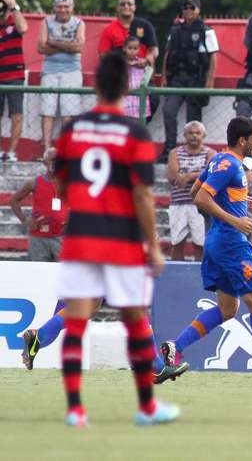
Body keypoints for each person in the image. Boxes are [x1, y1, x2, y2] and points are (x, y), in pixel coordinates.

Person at [51, 51, 179, 427]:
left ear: (94, 84)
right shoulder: (133, 133)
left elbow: (61, 183)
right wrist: (152, 244)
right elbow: (141, 195)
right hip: (121, 242)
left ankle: (75, 409)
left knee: (75, 322)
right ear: (127, 86)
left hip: (79, 240)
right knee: (135, 321)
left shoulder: (72, 129)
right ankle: (147, 408)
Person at [159, 117, 252, 387]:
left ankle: (175, 347)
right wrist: (235, 219)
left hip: (217, 241)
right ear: (243, 141)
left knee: (227, 309)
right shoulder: (230, 164)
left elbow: (195, 189)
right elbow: (201, 198)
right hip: (232, 243)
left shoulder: (219, 160)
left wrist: (235, 200)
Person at [160, 0, 219, 162]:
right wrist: (164, 77)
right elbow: (167, 53)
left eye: (192, 7)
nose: (188, 10)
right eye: (185, 7)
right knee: (168, 110)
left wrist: (209, 81)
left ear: (198, 10)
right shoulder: (175, 30)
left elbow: (213, 56)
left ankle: (193, 151)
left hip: (197, 79)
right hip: (177, 78)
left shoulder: (206, 30)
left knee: (193, 118)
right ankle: (169, 148)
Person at [38, 0, 85, 151]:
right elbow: (40, 48)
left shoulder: (79, 23)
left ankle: (66, 149)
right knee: (47, 111)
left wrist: (53, 43)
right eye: (60, 6)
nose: (63, 10)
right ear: (54, 8)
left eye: (66, 6)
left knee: (68, 111)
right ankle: (46, 149)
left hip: (72, 71)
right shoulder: (46, 22)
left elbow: (79, 47)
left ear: (72, 8)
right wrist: (67, 47)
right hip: (50, 70)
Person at [167, 120, 215, 261]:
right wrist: (199, 174)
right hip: (178, 203)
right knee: (177, 242)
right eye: (191, 133)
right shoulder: (175, 153)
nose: (194, 136)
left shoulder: (211, 153)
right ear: (184, 135)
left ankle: (200, 275)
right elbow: (173, 177)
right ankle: (176, 275)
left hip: (201, 204)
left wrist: (188, 176)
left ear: (204, 135)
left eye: (198, 133)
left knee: (201, 243)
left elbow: (210, 175)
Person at [10, 148, 68, 261]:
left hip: (61, 237)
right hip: (38, 238)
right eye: (52, 160)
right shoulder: (34, 183)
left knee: (62, 274)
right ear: (45, 162)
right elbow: (14, 200)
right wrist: (25, 220)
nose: (55, 164)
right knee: (39, 273)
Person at [0, 0, 28, 162]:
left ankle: (11, 152)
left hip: (15, 75)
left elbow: (24, 28)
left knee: (17, 114)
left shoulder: (14, 22)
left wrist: (14, 6)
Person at [98, 0, 158, 66]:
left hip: (142, 73)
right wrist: (121, 63)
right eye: (122, 4)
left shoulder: (145, 25)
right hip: (119, 74)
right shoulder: (109, 29)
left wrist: (148, 59)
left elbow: (154, 50)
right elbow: (103, 55)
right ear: (117, 8)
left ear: (135, 7)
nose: (126, 6)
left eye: (129, 4)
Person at [122, 36, 151, 120]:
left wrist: (147, 62)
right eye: (130, 48)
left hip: (139, 99)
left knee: (138, 123)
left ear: (138, 49)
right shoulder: (121, 62)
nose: (132, 51)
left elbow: (149, 74)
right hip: (125, 98)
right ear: (124, 48)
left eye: (135, 48)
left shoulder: (142, 63)